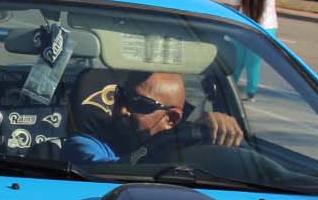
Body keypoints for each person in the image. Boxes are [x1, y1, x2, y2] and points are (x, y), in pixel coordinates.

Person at [65, 70, 245, 164]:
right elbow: (110, 171)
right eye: (120, 97)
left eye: (139, 104)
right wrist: (173, 139)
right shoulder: (87, 145)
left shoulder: (192, 146)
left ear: (171, 119)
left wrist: (222, 132)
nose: (122, 110)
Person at [231, 0, 291, 99]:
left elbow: (234, 9)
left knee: (238, 60)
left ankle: (230, 90)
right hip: (267, 28)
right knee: (254, 63)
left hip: (243, 27)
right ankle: (251, 92)